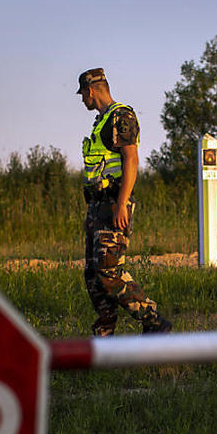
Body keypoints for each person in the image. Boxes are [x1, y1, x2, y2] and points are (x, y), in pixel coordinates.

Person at [76, 68, 172, 336]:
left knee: (109, 272)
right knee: (93, 274)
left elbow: (131, 158)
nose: (82, 99)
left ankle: (153, 321)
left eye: (83, 94)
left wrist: (122, 203)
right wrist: (91, 213)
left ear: (91, 90)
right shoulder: (101, 121)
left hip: (113, 204)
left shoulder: (121, 116)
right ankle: (104, 332)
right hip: (98, 206)